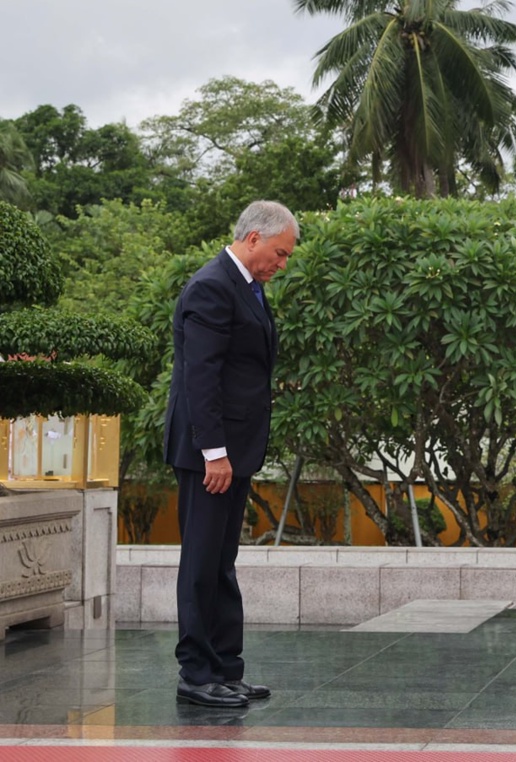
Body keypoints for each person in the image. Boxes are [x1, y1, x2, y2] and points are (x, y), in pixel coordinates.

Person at [164, 200, 298, 708]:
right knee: (201, 562)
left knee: (222, 561)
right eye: (280, 253)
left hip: (234, 451)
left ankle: (224, 667)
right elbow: (201, 378)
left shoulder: (249, 287)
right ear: (253, 239)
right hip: (209, 455)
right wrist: (213, 453)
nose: (281, 264)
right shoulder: (211, 286)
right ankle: (196, 674)